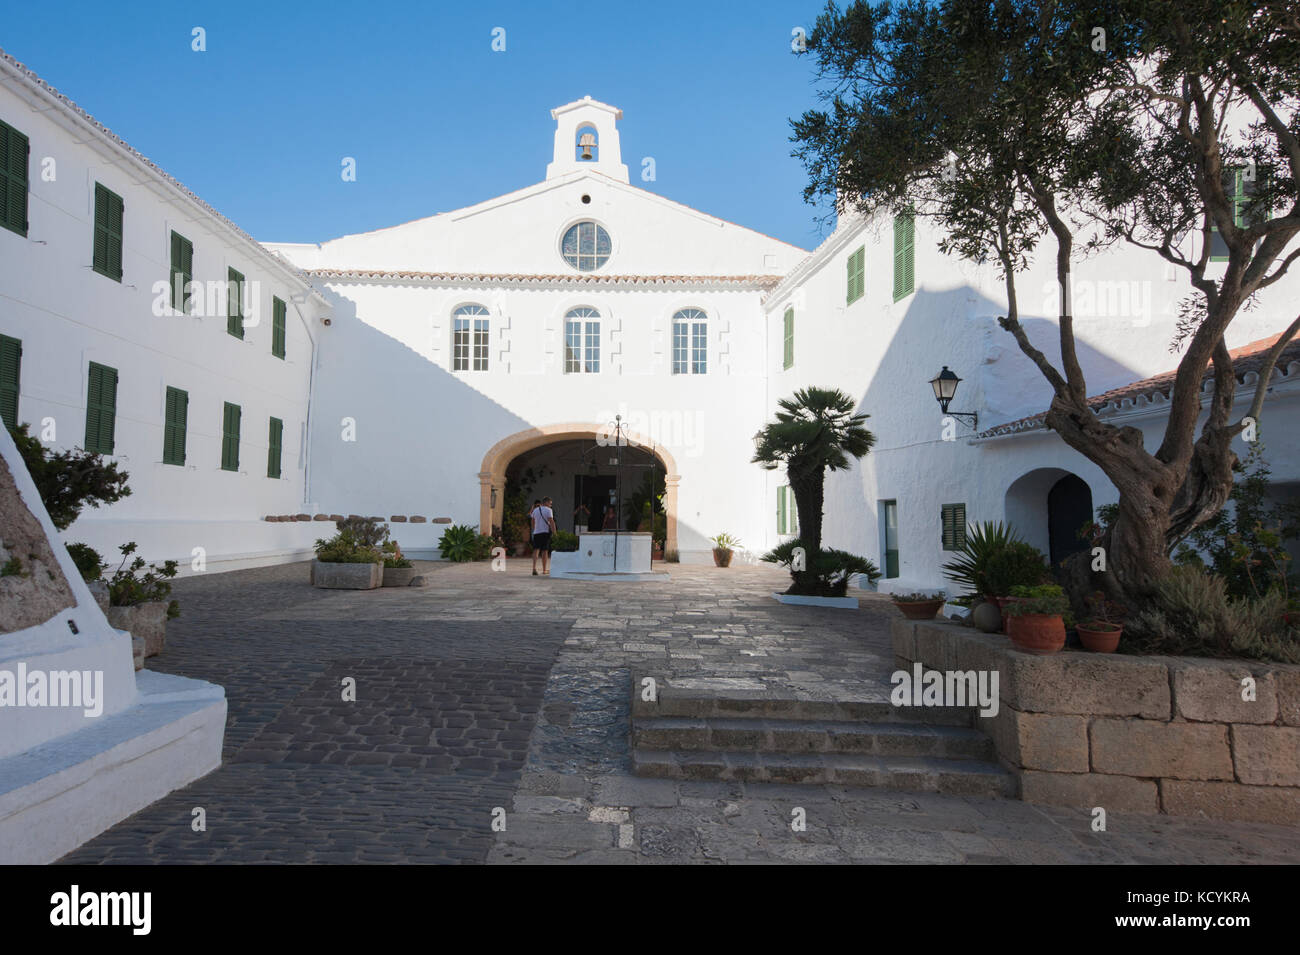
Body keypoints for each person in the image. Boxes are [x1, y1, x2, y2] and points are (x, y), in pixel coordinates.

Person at [530, 496, 557, 576]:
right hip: (545, 532)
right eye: (550, 503)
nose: (551, 505)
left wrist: (535, 529)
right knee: (544, 551)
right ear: (546, 502)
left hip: (536, 533)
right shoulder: (549, 510)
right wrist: (554, 533)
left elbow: (532, 521)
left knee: (536, 550)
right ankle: (544, 570)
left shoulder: (535, 510)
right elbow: (551, 522)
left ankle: (534, 568)